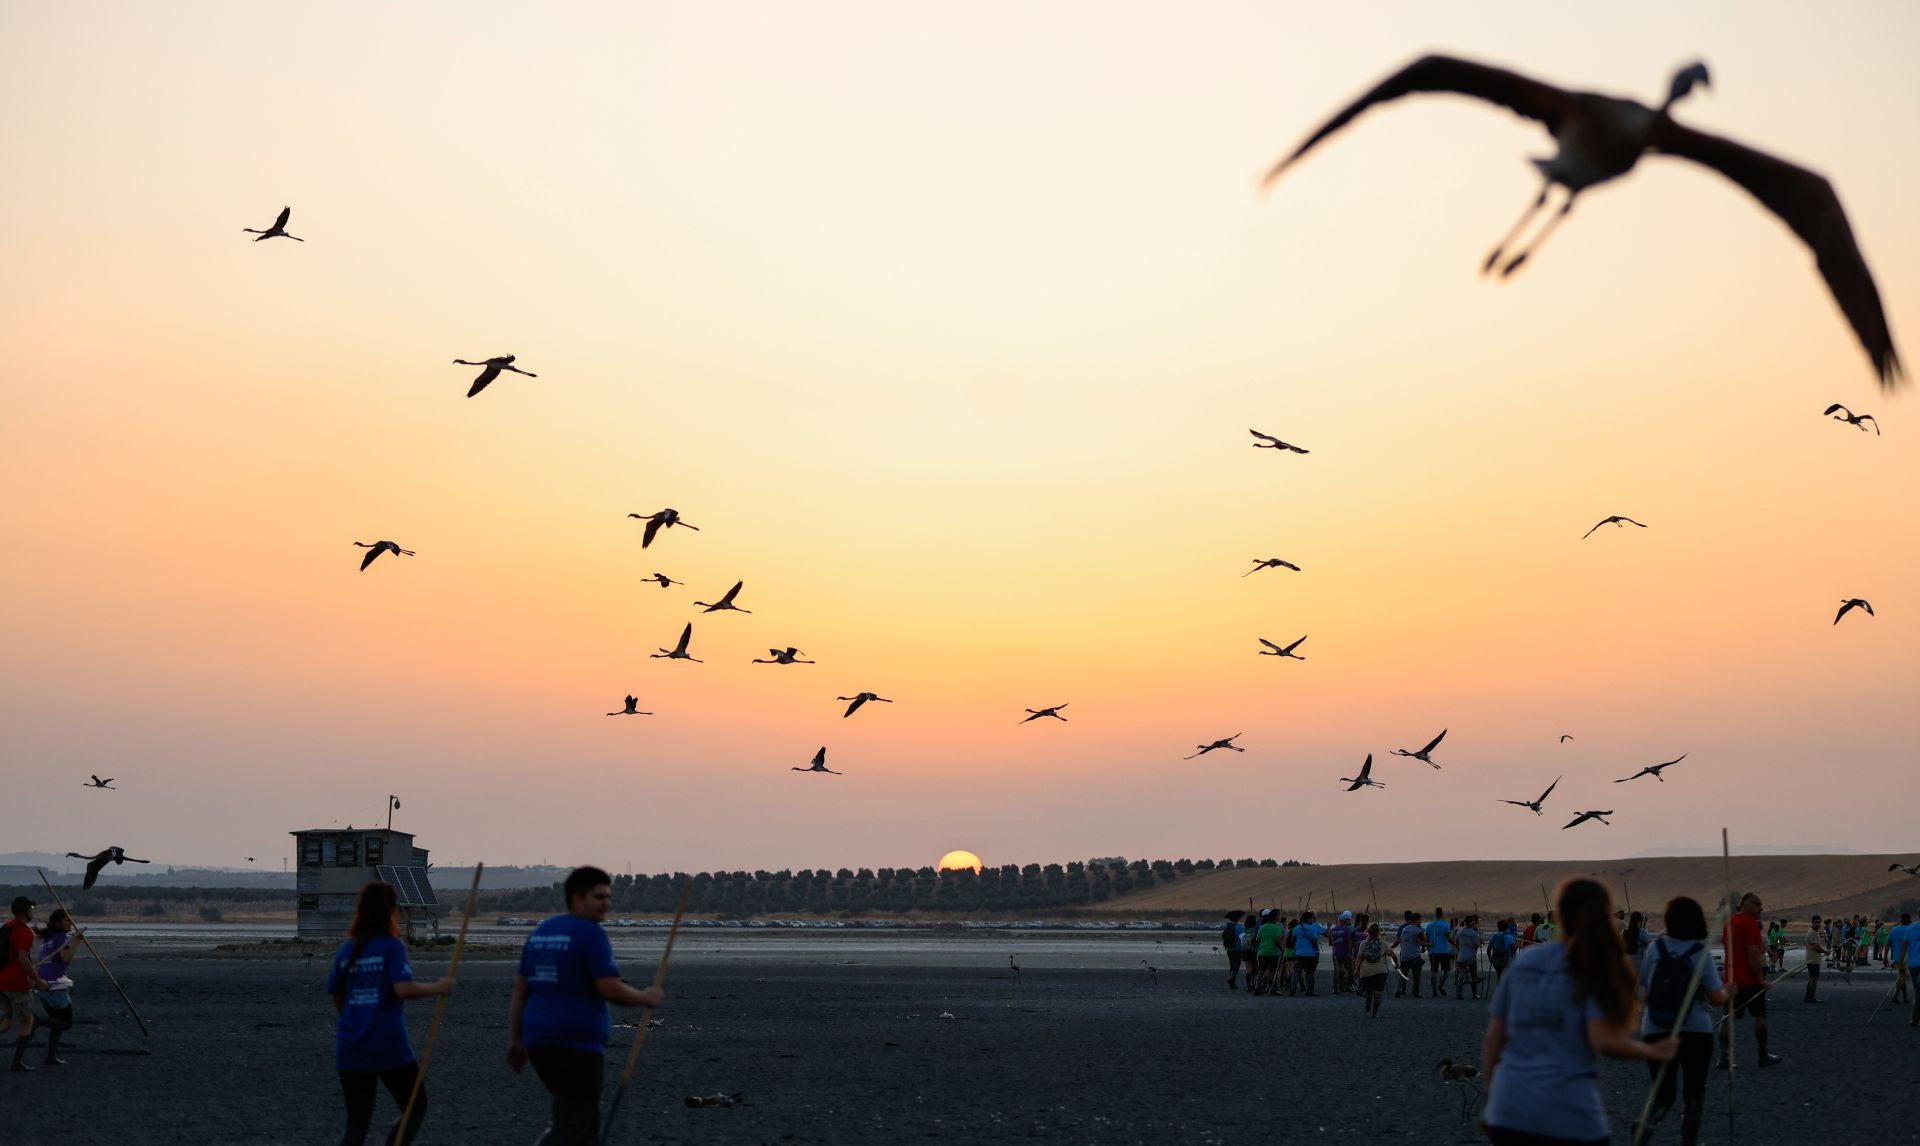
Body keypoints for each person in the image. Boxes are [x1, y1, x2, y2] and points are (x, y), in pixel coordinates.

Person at [1480, 877, 1676, 1145]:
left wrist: (1494, 1101)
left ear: (1560, 914)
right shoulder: (1594, 965)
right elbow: (1603, 1040)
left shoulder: (1526, 961)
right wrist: (1653, 1051)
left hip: (1509, 1106)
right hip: (1568, 1109)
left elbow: (1494, 1039)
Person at [508, 866, 665, 1144]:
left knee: (583, 1124)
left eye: (608, 897)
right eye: (598, 897)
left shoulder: (542, 932)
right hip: (576, 1047)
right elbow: (611, 989)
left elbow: (521, 990)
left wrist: (517, 1041)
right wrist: (645, 997)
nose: (606, 903)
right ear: (577, 899)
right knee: (573, 1122)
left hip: (539, 1043)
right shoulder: (590, 934)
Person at [328, 880, 455, 1146]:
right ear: (391, 911)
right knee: (415, 1106)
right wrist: (438, 987)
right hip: (387, 1046)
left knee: (357, 1125)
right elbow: (404, 988)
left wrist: (356, 1019)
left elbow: (338, 996)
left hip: (351, 1045)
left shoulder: (346, 949)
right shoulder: (391, 946)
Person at [1634, 896, 1730, 1146]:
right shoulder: (1700, 953)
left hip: (1654, 1028)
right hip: (1695, 1029)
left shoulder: (1655, 949)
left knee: (1663, 1093)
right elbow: (1716, 997)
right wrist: (1731, 991)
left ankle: (1650, 1121)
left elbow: (1642, 992)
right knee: (1694, 1093)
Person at [1718, 891, 1780, 1068]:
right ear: (1746, 905)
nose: (1761, 909)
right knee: (1759, 1017)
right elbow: (1753, 952)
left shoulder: (1728, 924)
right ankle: (1763, 1055)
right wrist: (1761, 979)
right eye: (1757, 905)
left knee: (1727, 1018)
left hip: (1731, 981)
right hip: (1750, 982)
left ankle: (1724, 1058)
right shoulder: (1750, 923)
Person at [0, 895, 52, 1073]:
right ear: (25, 911)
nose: (32, 912)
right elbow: (22, 960)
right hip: (16, 982)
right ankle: (16, 1062)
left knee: (6, 1022)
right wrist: (38, 980)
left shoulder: (7, 927)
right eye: (30, 909)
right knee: (27, 1020)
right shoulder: (24, 931)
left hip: (1, 980)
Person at [33, 910, 76, 1067]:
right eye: (67, 920)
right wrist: (77, 941)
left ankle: (51, 1056)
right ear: (58, 923)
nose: (70, 923)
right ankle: (36, 1022)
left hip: (43, 986)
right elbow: (66, 958)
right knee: (66, 1023)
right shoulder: (60, 937)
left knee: (57, 1023)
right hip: (54, 987)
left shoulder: (47, 938)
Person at [1355, 922, 1398, 1017]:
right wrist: (1396, 964)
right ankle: (1374, 1013)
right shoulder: (1383, 943)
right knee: (1378, 993)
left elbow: (1359, 957)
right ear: (1378, 932)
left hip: (1366, 971)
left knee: (1369, 992)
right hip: (1381, 971)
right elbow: (1393, 956)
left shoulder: (1363, 943)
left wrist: (1356, 969)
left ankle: (1367, 1006)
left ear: (1369, 932)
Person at [1293, 910, 1325, 996]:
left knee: (1297, 972)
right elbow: (1314, 941)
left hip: (1298, 953)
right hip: (1310, 954)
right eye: (1312, 918)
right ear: (1308, 919)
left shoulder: (1297, 928)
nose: (1313, 920)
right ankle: (1310, 991)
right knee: (1310, 972)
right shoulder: (1313, 928)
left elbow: (1293, 939)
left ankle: (1293, 989)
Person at [1424, 907, 1453, 997]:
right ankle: (1441, 984)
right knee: (1447, 971)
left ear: (1435, 914)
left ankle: (1434, 991)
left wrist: (1426, 946)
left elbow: (1427, 938)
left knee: (1434, 972)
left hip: (1432, 951)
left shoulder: (1429, 925)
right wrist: (1456, 943)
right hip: (1444, 951)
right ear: (1442, 914)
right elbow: (1448, 938)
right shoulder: (1445, 925)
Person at [1455, 914, 1483, 1000]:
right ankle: (1474, 994)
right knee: (1473, 976)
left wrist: (1461, 950)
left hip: (1461, 957)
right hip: (1471, 957)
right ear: (1470, 922)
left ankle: (1459, 993)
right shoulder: (1473, 933)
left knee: (1461, 975)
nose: (1475, 922)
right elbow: (1475, 946)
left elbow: (1456, 942)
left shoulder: (1459, 931)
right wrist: (1479, 944)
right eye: (1474, 921)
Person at [1802, 915, 1829, 1003]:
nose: (1817, 924)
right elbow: (1815, 947)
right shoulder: (1811, 933)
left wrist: (1823, 952)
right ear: (1812, 922)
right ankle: (1810, 997)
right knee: (1814, 978)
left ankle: (1809, 996)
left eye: (1819, 922)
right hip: (1812, 960)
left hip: (1814, 959)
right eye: (1816, 922)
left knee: (1812, 978)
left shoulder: (1815, 932)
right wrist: (1825, 951)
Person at [1329, 910, 1355, 994]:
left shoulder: (1332, 930)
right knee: (1344, 970)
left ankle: (1335, 988)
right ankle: (1343, 987)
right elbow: (1349, 942)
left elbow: (1330, 943)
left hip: (1335, 953)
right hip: (1344, 953)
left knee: (1337, 971)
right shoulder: (1347, 929)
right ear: (1344, 920)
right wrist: (1348, 953)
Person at [1487, 919, 1517, 989]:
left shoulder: (1493, 936)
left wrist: (1490, 958)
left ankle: (1499, 992)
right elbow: (1513, 948)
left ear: (1498, 927)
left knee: (1499, 976)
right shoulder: (1509, 936)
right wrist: (1518, 944)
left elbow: (1488, 949)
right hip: (1505, 959)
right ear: (1507, 927)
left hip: (1495, 959)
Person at [1889, 913, 1912, 1005]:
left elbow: (1888, 943)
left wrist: (1885, 957)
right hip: (1906, 959)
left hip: (1897, 958)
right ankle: (1895, 996)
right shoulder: (1909, 929)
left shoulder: (1894, 929)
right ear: (1910, 921)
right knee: (1902, 977)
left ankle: (1904, 998)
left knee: (1902, 976)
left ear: (1900, 920)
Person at [1221, 910, 1246, 990]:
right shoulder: (1239, 927)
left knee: (1232, 964)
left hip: (1229, 948)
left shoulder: (1227, 926)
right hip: (1237, 949)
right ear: (1238, 919)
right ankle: (1232, 979)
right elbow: (1241, 938)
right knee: (1237, 965)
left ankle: (1232, 980)